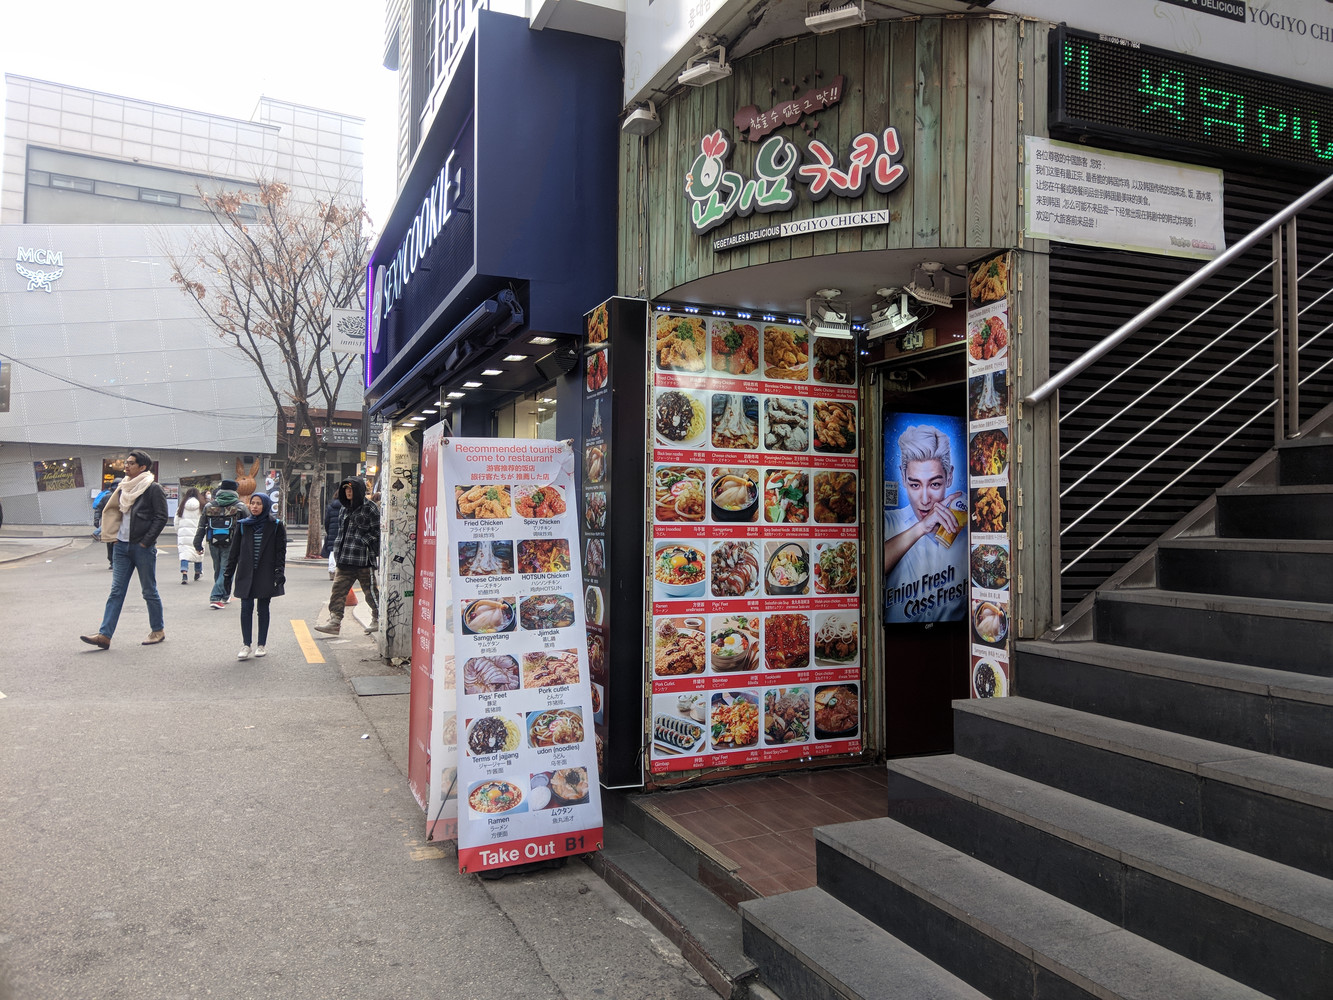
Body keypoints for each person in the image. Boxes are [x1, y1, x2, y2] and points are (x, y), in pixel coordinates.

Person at [80, 450, 169, 648]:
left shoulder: (152, 488)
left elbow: (161, 517)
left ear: (142, 467)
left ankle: (157, 630)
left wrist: (146, 542)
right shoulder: (123, 487)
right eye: (126, 462)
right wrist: (114, 538)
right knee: (116, 592)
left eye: (131, 463)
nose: (126, 466)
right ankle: (104, 635)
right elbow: (116, 513)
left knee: (149, 591)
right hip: (121, 546)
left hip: (142, 547)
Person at [883, 424, 968, 625]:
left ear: (950, 477)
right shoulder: (888, 521)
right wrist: (921, 528)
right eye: (915, 484)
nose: (924, 499)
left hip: (953, 638)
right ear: (903, 477)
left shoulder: (968, 528)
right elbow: (867, 572)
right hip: (897, 639)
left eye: (935, 484)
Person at [224, 492, 286, 660]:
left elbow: (280, 551)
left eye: (259, 503)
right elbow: (234, 552)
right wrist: (228, 574)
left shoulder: (275, 525)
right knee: (246, 608)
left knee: (263, 608)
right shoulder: (243, 525)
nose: (255, 506)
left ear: (265, 506)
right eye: (252, 503)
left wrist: (279, 572)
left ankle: (261, 645)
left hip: (265, 573)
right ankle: (246, 645)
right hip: (246, 572)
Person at [314, 477, 380, 636]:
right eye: (346, 489)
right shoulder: (344, 508)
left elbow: (377, 532)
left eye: (351, 489)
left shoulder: (370, 508)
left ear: (358, 490)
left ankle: (378, 618)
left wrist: (363, 542)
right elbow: (340, 532)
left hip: (363, 560)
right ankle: (335, 622)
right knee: (337, 591)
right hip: (344, 559)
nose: (348, 492)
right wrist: (337, 550)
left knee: (370, 592)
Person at [194, 479, 247, 609]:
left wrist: (197, 544)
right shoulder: (240, 507)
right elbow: (248, 525)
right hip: (232, 542)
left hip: (213, 541)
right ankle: (216, 597)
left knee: (218, 569)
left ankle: (225, 594)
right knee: (226, 569)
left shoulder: (209, 506)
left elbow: (201, 526)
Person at [175, 487, 205, 584]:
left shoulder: (181, 506)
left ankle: (184, 573)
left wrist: (179, 531)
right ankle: (197, 572)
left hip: (184, 534)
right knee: (198, 552)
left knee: (184, 554)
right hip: (197, 533)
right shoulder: (202, 507)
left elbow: (176, 521)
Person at [92, 479, 119, 568]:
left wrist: (96, 519)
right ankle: (114, 562)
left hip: (110, 524)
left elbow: (98, 508)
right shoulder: (122, 496)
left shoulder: (107, 496)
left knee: (111, 543)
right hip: (116, 524)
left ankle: (113, 562)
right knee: (115, 543)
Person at [320, 492, 341, 580]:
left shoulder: (330, 507)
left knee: (332, 552)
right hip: (342, 531)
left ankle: (332, 571)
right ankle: (340, 572)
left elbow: (326, 521)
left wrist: (329, 531)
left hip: (332, 531)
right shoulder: (346, 506)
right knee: (341, 552)